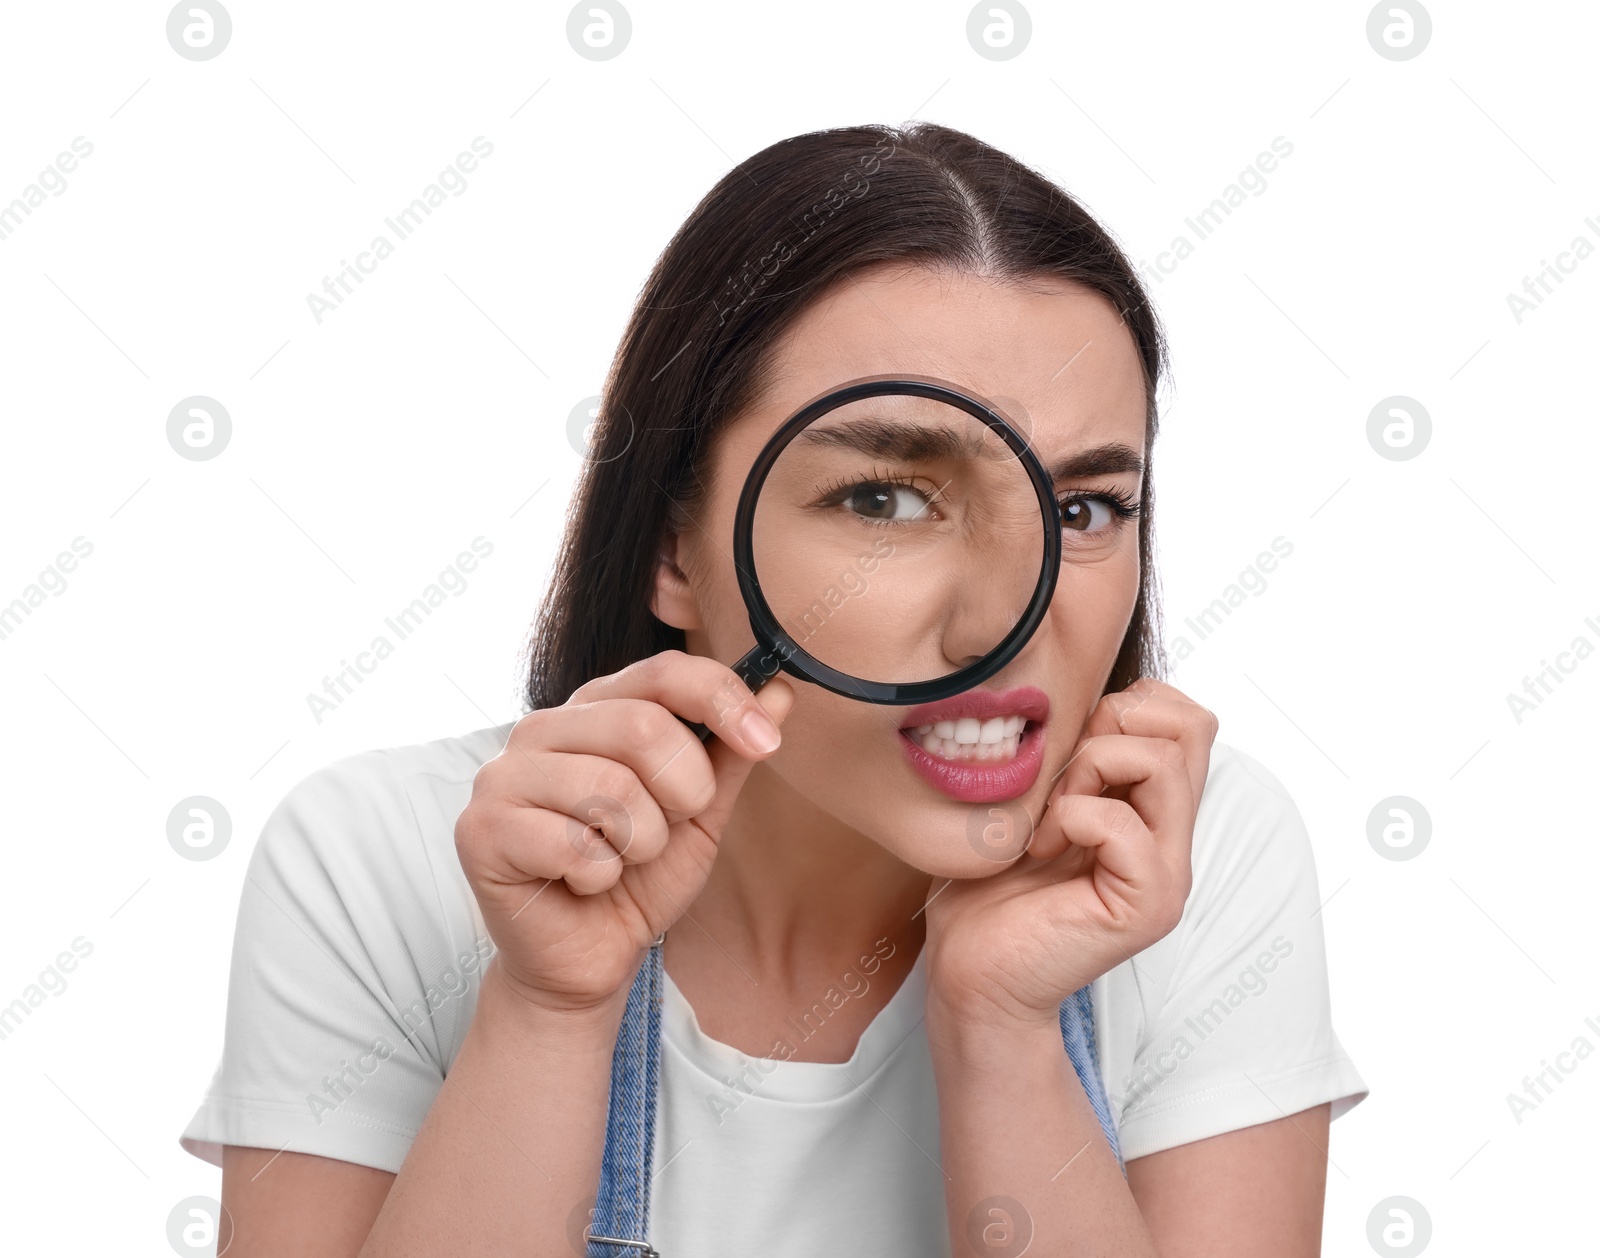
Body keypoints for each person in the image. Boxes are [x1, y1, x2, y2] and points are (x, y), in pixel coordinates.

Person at [180, 121, 1367, 1257]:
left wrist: (1002, 1031)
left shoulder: (1194, 859)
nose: (1002, 621)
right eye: (886, 500)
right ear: (675, 544)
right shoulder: (378, 861)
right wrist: (546, 1012)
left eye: (1081, 508)